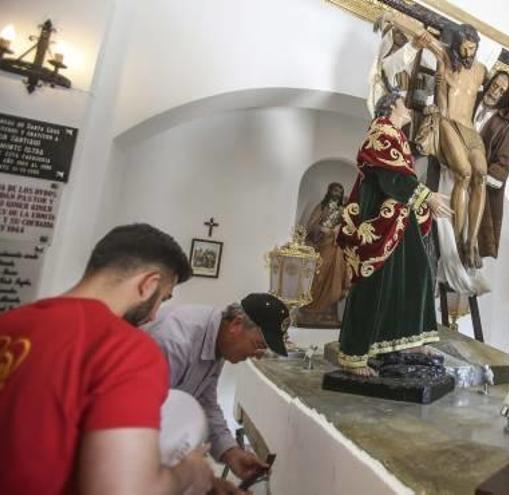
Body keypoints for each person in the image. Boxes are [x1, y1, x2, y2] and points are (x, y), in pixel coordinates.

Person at [0, 223, 214, 494]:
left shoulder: (9, 322)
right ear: (149, 284)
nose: (153, 316)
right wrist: (190, 471)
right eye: (162, 298)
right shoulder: (123, 348)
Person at [336, 91, 453, 377]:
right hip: (380, 224)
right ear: (390, 107)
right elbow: (392, 178)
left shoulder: (396, 136)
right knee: (373, 284)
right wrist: (427, 197)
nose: (408, 108)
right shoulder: (381, 133)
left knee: (416, 274)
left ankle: (408, 341)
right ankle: (353, 355)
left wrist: (424, 200)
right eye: (403, 103)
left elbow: (401, 178)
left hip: (398, 220)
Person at [145, 292, 289, 482]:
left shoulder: (218, 342)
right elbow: (143, 421)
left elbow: (205, 403)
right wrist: (202, 478)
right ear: (237, 324)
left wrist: (231, 452)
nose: (258, 355)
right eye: (258, 344)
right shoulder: (175, 340)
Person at [474, 70, 509, 259]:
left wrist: (479, 174)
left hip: (474, 184)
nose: (494, 92)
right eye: (494, 85)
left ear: (505, 97)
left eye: (501, 90)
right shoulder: (472, 98)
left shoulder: (502, 128)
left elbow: (503, 166)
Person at [298, 182, 351, 327]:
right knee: (318, 276)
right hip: (320, 247)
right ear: (329, 191)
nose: (337, 193)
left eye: (340, 191)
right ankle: (310, 312)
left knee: (335, 277)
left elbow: (348, 228)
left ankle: (329, 314)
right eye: (335, 190)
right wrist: (321, 228)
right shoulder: (321, 207)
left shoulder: (342, 210)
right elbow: (311, 225)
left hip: (336, 248)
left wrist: (335, 231)